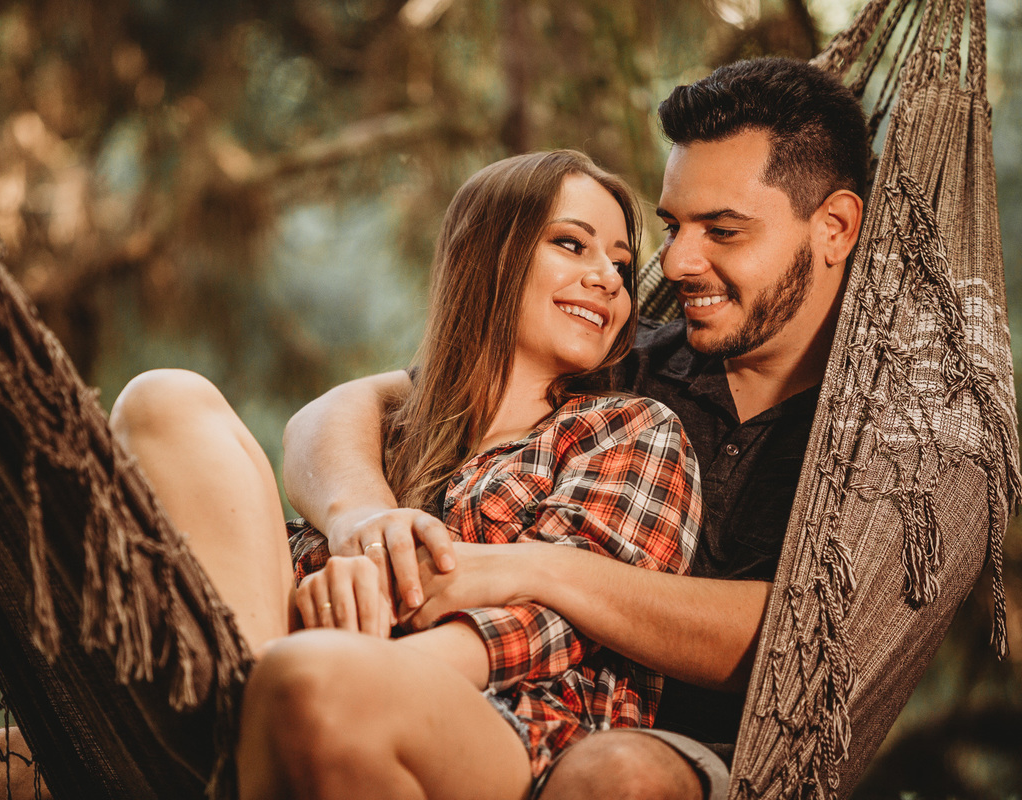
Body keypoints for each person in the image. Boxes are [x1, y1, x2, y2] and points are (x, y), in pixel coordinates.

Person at [0, 149, 703, 799]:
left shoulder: (629, 430)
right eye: (572, 244)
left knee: (308, 680)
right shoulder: (385, 436)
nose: (608, 279)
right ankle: (241, 728)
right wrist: (317, 593)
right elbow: (273, 560)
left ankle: (247, 720)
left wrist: (361, 643)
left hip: (508, 725)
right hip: (277, 674)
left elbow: (560, 621)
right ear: (491, 255)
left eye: (618, 260)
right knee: (166, 397)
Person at [280, 56, 868, 800]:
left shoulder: (872, 440)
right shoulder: (620, 356)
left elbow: (813, 637)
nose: (677, 263)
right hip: (473, 697)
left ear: (835, 227)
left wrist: (525, 568)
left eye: (723, 229)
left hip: (718, 756)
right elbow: (348, 411)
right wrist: (365, 520)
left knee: (616, 771)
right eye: (673, 226)